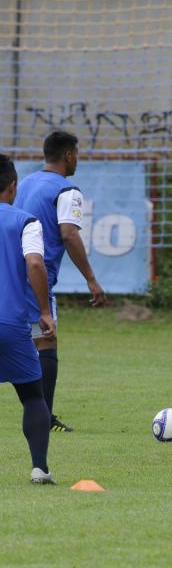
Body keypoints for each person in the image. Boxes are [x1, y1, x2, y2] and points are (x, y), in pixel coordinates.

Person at [14, 131, 107, 433]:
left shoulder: (24, 183)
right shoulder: (67, 190)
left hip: (10, 273)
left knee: (18, 339)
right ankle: (46, 417)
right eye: (76, 154)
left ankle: (41, 412)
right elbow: (69, 233)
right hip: (35, 275)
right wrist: (92, 280)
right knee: (46, 338)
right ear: (68, 155)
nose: (77, 160)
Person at [0, 154, 57, 483]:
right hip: (10, 324)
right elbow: (35, 264)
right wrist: (45, 312)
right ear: (12, 186)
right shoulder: (25, 221)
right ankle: (39, 469)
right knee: (33, 396)